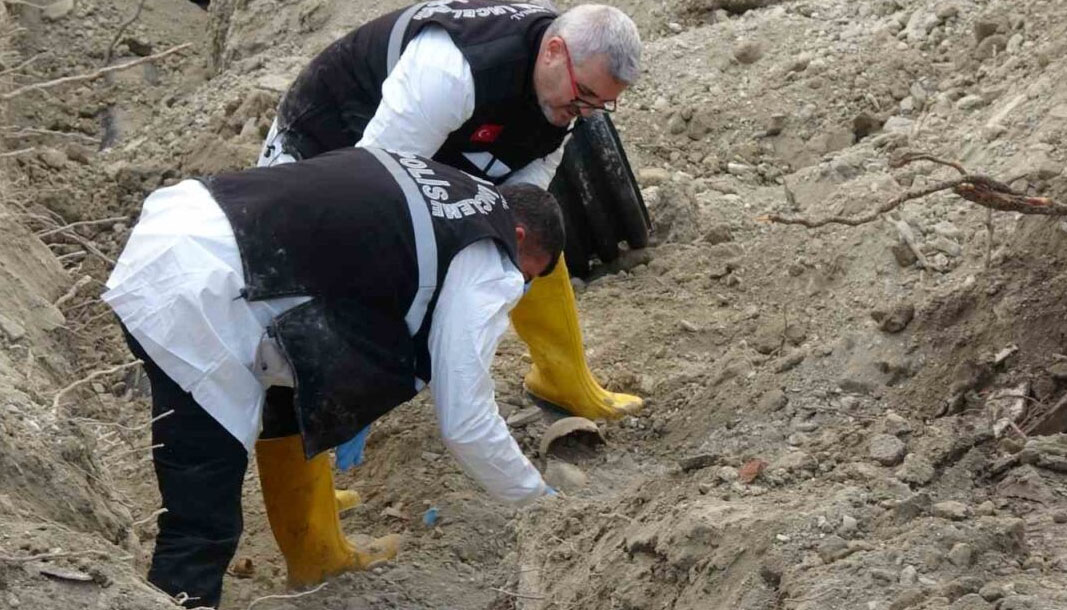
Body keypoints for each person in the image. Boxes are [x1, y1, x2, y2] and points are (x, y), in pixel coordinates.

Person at [102, 147, 565, 607]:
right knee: (203, 520)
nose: (518, 287)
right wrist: (537, 500)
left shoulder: (452, 187)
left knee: (279, 412)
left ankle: (314, 556)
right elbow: (466, 420)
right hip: (201, 298)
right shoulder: (488, 255)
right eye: (526, 275)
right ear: (519, 236)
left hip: (186, 226)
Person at [259, 1, 645, 425]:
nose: (588, 112)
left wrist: (499, 241)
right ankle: (307, 485)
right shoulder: (452, 71)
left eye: (602, 104)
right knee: (299, 302)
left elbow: (524, 201)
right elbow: (371, 194)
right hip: (329, 138)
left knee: (529, 236)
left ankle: (563, 381)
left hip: (444, 135)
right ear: (554, 51)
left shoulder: (565, 89)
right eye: (586, 95)